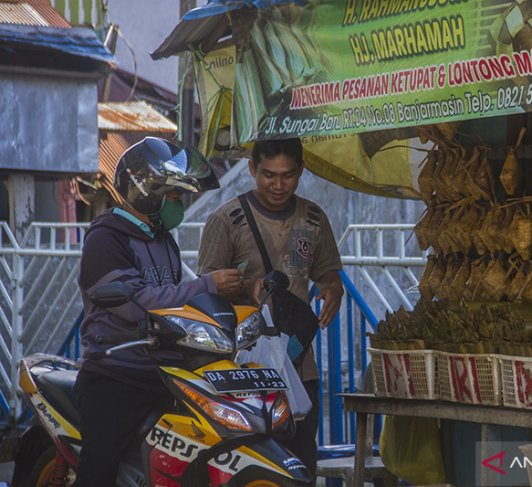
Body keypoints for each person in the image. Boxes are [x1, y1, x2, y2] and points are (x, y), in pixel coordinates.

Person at [73, 137, 243, 487]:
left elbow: (174, 300)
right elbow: (138, 303)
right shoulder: (106, 239)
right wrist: (208, 285)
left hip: (163, 373)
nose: (179, 206)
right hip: (115, 376)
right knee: (98, 472)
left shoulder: (162, 238)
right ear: (146, 192)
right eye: (176, 196)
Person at [197, 138, 344, 481]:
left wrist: (332, 290)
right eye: (269, 175)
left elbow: (329, 274)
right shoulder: (226, 220)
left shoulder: (313, 218)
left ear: (301, 172)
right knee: (247, 468)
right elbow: (205, 289)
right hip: (243, 372)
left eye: (288, 176)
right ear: (251, 169)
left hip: (299, 368)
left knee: (299, 464)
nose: (279, 185)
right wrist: (246, 288)